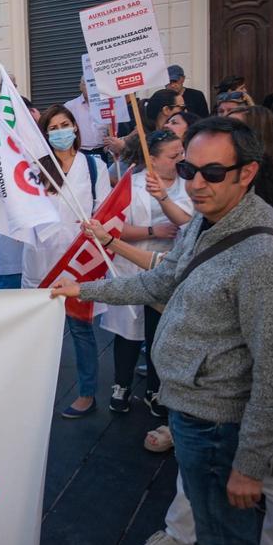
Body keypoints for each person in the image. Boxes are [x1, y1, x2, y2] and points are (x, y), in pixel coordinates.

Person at [53, 118, 273, 545]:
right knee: (214, 537)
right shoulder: (206, 226)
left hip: (218, 424)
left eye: (212, 172)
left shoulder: (262, 256)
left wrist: (250, 463)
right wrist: (80, 288)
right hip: (190, 410)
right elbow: (160, 282)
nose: (194, 184)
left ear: (248, 172)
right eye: (188, 168)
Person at [24, 105, 111, 419]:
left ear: (75, 127)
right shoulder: (35, 168)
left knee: (81, 329)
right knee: (36, 330)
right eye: (53, 128)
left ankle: (87, 393)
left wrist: (94, 227)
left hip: (78, 260)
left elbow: (104, 208)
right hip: (43, 258)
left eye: (65, 124)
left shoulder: (94, 165)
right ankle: (31, 390)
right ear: (45, 134)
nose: (60, 131)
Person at [99, 130, 193, 416]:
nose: (180, 159)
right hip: (131, 265)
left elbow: (193, 223)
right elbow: (111, 226)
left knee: (159, 333)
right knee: (128, 330)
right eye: (172, 156)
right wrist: (153, 230)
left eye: (181, 153)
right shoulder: (131, 184)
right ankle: (121, 386)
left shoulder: (189, 184)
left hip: (169, 271)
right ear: (151, 160)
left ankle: (155, 390)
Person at [63, 78, 108, 155]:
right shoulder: (69, 106)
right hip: (79, 151)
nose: (90, 87)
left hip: (103, 151)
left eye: (93, 84)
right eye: (86, 84)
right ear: (80, 87)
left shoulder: (105, 104)